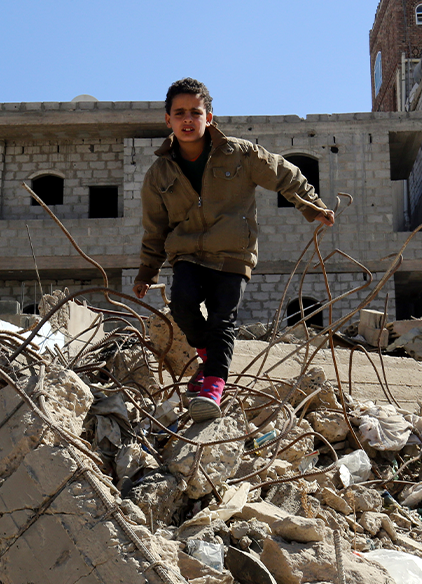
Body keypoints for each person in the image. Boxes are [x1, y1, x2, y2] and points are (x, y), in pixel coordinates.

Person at [134, 78, 335, 421]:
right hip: (187, 254)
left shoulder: (240, 154)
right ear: (167, 119)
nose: (187, 119)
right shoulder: (158, 174)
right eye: (179, 112)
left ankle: (213, 386)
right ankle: (211, 359)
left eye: (195, 112)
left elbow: (285, 173)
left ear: (208, 117)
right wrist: (147, 271)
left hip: (233, 254)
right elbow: (155, 229)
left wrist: (311, 205)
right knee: (182, 304)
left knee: (222, 318)